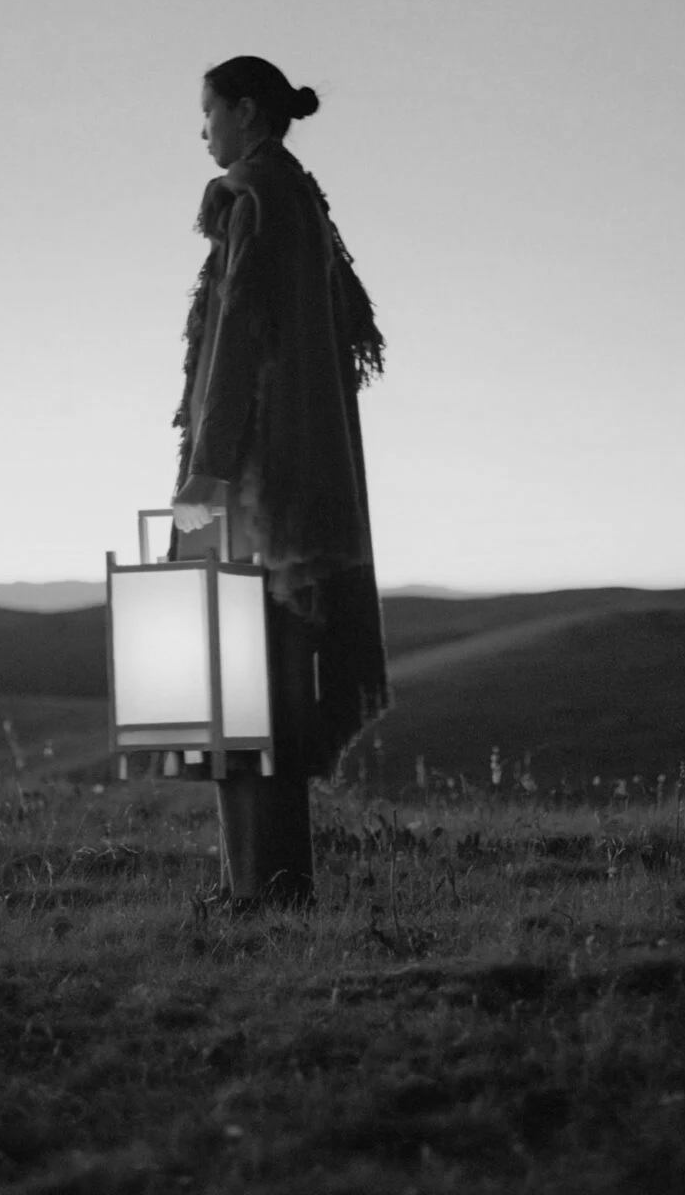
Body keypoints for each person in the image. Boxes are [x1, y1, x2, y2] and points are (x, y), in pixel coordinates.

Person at [171, 54, 389, 905]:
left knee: (238, 688)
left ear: (246, 112)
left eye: (209, 112)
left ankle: (258, 892)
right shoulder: (302, 198)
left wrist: (207, 469)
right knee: (273, 688)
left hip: (258, 488)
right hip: (306, 483)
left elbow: (237, 337)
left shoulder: (252, 198)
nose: (203, 131)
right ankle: (274, 886)